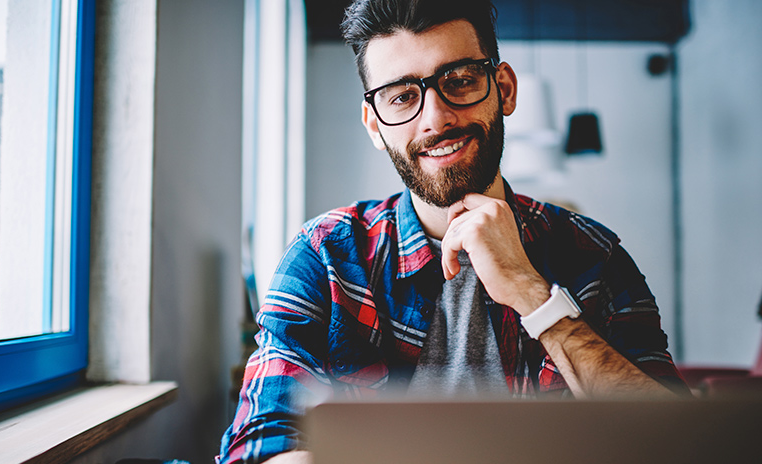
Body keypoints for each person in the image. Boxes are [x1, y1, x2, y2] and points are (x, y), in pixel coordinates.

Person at [218, 0, 688, 462]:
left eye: (460, 81)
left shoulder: (593, 255)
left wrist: (532, 293)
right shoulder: (326, 256)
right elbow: (260, 444)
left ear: (503, 89)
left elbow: (679, 444)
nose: (435, 118)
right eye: (402, 96)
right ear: (375, 126)